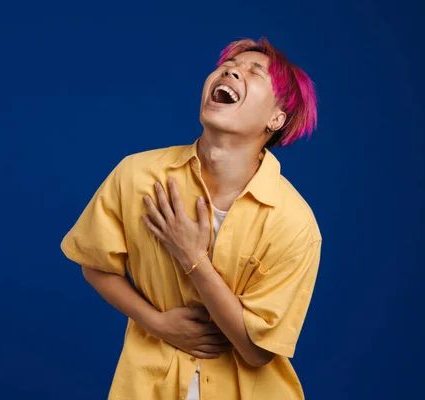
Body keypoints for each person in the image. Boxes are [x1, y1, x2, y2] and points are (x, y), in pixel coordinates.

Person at [60, 37, 322, 400]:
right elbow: (94, 263)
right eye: (229, 65)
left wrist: (192, 257)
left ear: (277, 118)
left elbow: (258, 351)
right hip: (148, 385)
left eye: (254, 72)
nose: (231, 70)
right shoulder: (136, 176)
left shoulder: (294, 222)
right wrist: (157, 323)